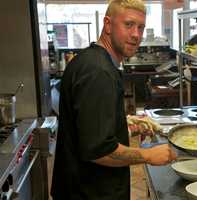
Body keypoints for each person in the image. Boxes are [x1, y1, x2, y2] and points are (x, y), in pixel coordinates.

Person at [51, 0, 177, 199]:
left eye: (141, 27)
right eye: (128, 24)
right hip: (90, 192)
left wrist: (121, 124)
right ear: (108, 25)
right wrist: (148, 155)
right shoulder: (98, 72)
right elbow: (99, 151)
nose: (136, 34)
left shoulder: (94, 60)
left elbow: (87, 126)